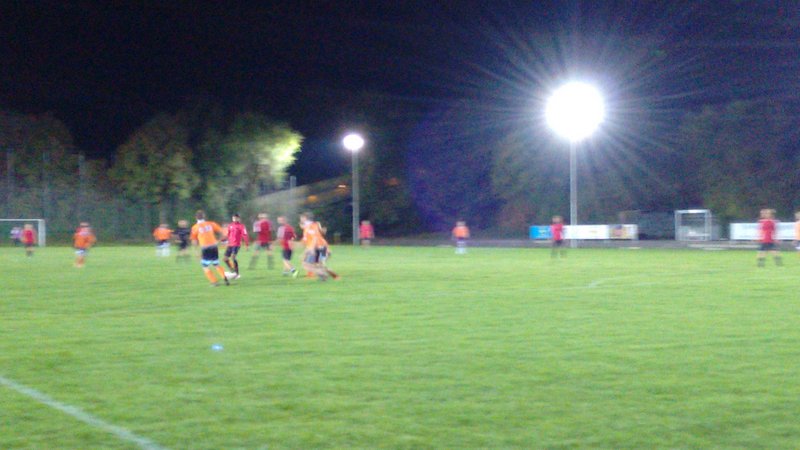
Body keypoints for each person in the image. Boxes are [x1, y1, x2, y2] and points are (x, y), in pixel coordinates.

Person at [190, 210, 229, 286]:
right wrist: (219, 240)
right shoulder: (211, 224)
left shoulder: (195, 227)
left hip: (205, 247)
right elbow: (221, 232)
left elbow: (194, 240)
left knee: (205, 266)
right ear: (204, 216)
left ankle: (214, 282)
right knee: (216, 264)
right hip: (214, 246)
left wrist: (196, 251)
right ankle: (225, 278)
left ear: (196, 217)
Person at [300, 212, 338, 280]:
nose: (300, 220)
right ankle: (332, 275)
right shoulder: (312, 226)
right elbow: (307, 241)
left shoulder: (311, 226)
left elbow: (315, 238)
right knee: (318, 265)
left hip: (319, 248)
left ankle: (322, 274)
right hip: (321, 247)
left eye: (301, 218)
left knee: (307, 265)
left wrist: (311, 249)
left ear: (305, 218)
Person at [223, 213, 249, 279]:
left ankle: (237, 274)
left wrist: (246, 244)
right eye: (233, 218)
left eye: (236, 218)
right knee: (225, 259)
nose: (234, 219)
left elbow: (245, 235)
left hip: (236, 244)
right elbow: (228, 234)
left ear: (238, 219)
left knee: (233, 257)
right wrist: (225, 241)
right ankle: (232, 270)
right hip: (230, 244)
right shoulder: (230, 225)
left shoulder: (241, 226)